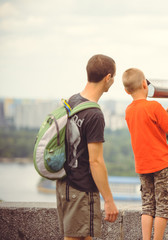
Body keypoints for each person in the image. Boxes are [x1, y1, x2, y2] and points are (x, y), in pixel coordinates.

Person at [122, 68, 168, 240]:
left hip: (143, 165)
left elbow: (148, 126)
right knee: (163, 206)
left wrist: (165, 114)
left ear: (126, 90)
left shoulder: (129, 110)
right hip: (161, 164)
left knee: (147, 206)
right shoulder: (153, 106)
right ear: (144, 85)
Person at [56, 54, 119, 240]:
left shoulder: (73, 100)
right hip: (82, 190)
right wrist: (109, 200)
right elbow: (96, 161)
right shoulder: (94, 114)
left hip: (65, 185)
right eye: (113, 78)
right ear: (108, 78)